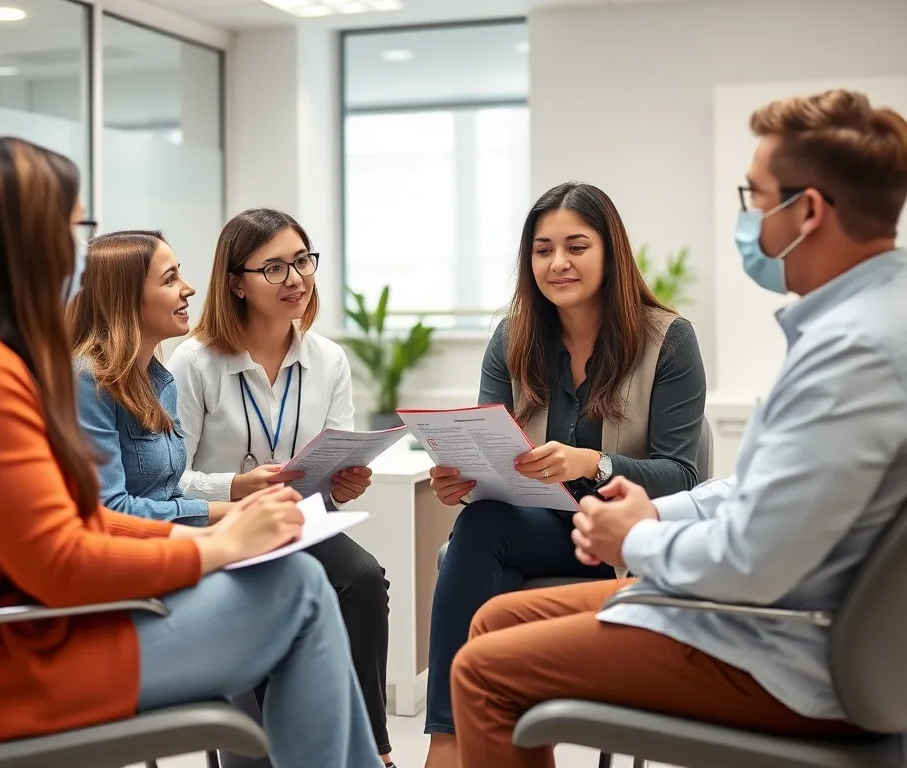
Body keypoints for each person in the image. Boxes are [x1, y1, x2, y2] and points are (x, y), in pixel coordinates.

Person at [0, 136, 383, 768]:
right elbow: (58, 560)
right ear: (21, 240)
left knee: (296, 580)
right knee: (301, 589)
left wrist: (210, 536)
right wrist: (217, 545)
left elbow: (71, 524)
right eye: (71, 228)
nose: (79, 255)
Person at [450, 89, 907, 768]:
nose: (747, 218)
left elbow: (753, 563)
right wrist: (651, 515)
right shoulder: (864, 324)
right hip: (773, 614)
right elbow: (758, 496)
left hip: (780, 649)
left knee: (483, 671)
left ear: (807, 211)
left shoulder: (852, 354)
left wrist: (638, 537)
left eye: (753, 197)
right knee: (491, 620)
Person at [423, 182, 707, 766]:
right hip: (530, 528)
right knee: (481, 523)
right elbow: (486, 447)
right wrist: (463, 479)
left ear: (611, 252)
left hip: (617, 538)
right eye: (542, 249)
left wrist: (594, 465)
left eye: (576, 246)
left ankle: (469, 745)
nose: (558, 263)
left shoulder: (670, 341)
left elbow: (682, 477)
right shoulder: (511, 338)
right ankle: (470, 741)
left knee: (478, 553)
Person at [166, 208, 394, 767]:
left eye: (302, 262)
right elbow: (171, 480)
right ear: (236, 283)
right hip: (227, 527)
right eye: (274, 268)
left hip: (301, 522)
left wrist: (344, 482)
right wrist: (239, 486)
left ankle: (370, 749)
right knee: (275, 606)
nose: (295, 278)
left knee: (363, 580)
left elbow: (330, 475)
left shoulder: (328, 359)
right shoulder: (193, 362)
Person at [69, 229, 231, 527]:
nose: (189, 288)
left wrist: (240, 510)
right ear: (126, 297)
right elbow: (110, 510)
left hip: (167, 545)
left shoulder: (161, 382)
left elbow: (167, 496)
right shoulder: (86, 381)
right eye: (170, 279)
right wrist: (230, 513)